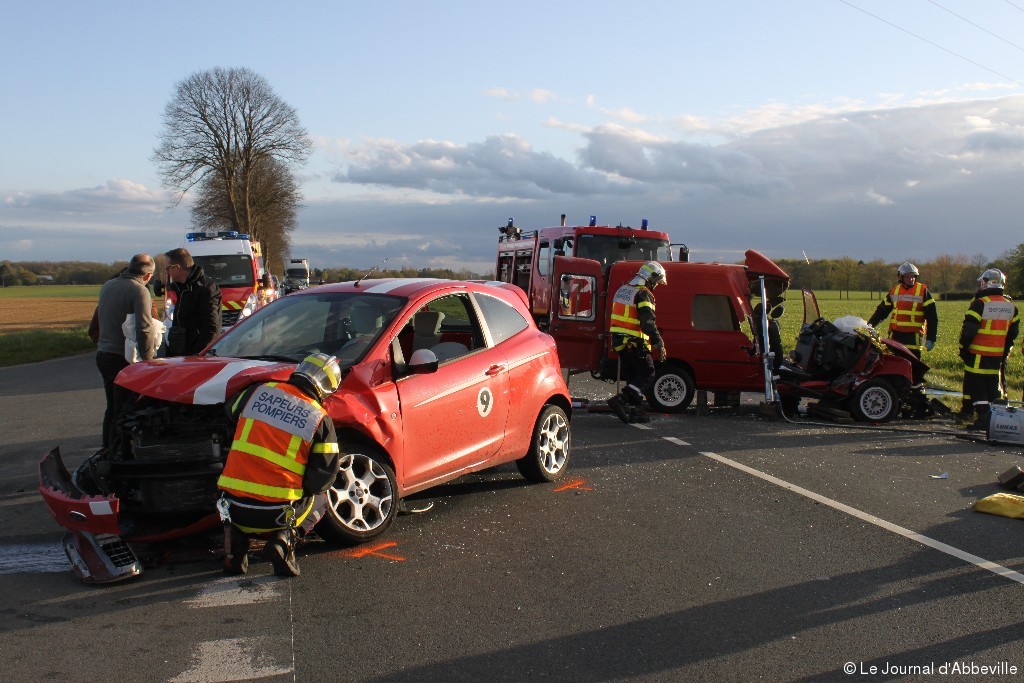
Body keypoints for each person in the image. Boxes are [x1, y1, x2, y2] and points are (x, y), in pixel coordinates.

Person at [217, 353, 343, 577]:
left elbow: (229, 412)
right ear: (327, 389)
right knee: (322, 499)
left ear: (299, 371)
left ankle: (234, 546)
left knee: (232, 497)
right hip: (277, 514)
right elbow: (322, 479)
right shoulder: (320, 419)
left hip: (233, 508)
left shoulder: (258, 392)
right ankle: (284, 540)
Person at [95, 254, 158, 448]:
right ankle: (120, 453)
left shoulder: (108, 285)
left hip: (104, 354)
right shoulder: (139, 291)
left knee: (112, 408)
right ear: (147, 276)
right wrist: (148, 360)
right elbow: (145, 328)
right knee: (126, 409)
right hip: (123, 358)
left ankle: (108, 448)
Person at [958, 269, 1019, 429]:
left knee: (977, 385)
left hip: (978, 353)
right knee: (993, 387)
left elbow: (968, 331)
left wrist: (964, 348)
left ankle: (984, 418)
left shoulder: (980, 304)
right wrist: (1004, 353)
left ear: (985, 283)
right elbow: (1012, 335)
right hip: (997, 356)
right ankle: (996, 419)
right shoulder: (1011, 307)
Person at [607, 261, 667, 424]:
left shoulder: (623, 290)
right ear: (651, 278)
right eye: (656, 282)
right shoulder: (643, 294)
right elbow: (647, 322)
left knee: (635, 377)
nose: (656, 285)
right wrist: (658, 342)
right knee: (648, 373)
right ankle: (621, 400)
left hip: (620, 342)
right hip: (635, 342)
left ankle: (637, 412)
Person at [867, 262, 938, 360]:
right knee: (894, 364)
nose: (911, 279)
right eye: (908, 277)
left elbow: (932, 316)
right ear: (901, 277)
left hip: (913, 338)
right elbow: (882, 311)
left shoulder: (922, 291)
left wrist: (931, 338)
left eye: (913, 276)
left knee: (913, 366)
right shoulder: (895, 290)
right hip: (896, 335)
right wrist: (870, 325)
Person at [163, 247, 222, 356]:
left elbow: (211, 327)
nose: (167, 272)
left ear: (177, 268)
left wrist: (198, 354)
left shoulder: (206, 288)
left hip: (196, 355)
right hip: (180, 351)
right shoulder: (180, 287)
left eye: (168, 268)